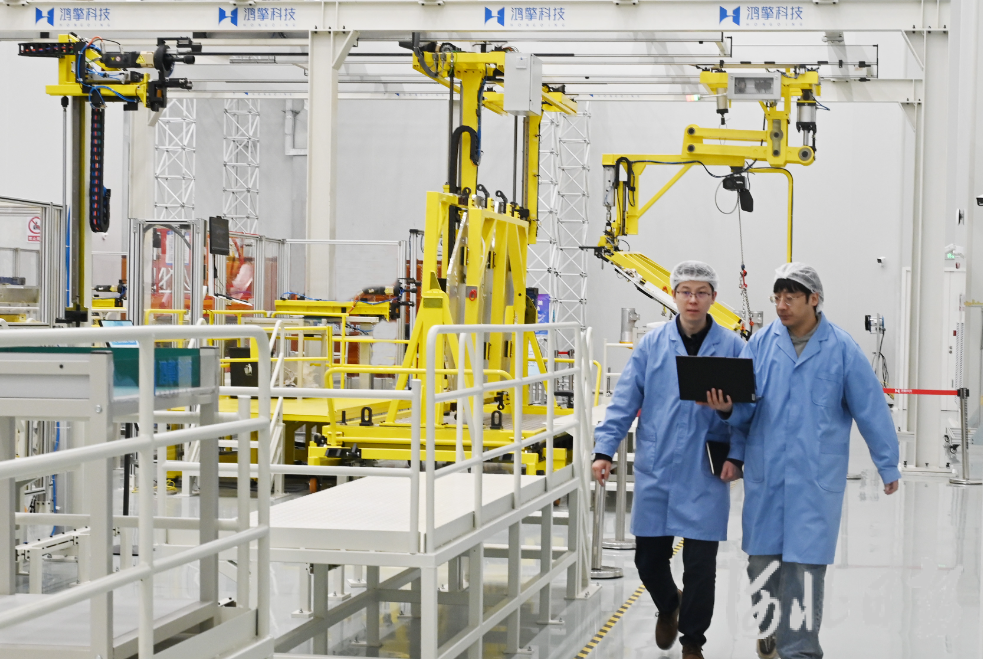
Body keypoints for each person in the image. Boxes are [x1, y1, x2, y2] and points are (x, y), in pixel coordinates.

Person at [706, 262, 900, 659]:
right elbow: (745, 410)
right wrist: (727, 410)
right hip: (767, 474)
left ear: (814, 299)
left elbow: (871, 409)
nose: (781, 305)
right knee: (761, 564)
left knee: (805, 569)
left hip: (814, 479)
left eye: (790, 297)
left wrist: (887, 464)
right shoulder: (760, 345)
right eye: (777, 297)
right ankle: (769, 627)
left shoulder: (842, 349)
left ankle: (800, 650)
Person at [592, 260, 746, 659]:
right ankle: (668, 603)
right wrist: (604, 449)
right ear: (673, 295)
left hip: (705, 468)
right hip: (658, 464)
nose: (693, 300)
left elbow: (749, 411)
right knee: (648, 559)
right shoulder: (652, 344)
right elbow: (625, 399)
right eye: (685, 292)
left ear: (713, 297)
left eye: (701, 293)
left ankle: (693, 641)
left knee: (701, 566)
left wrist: (737, 452)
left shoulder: (733, 347)